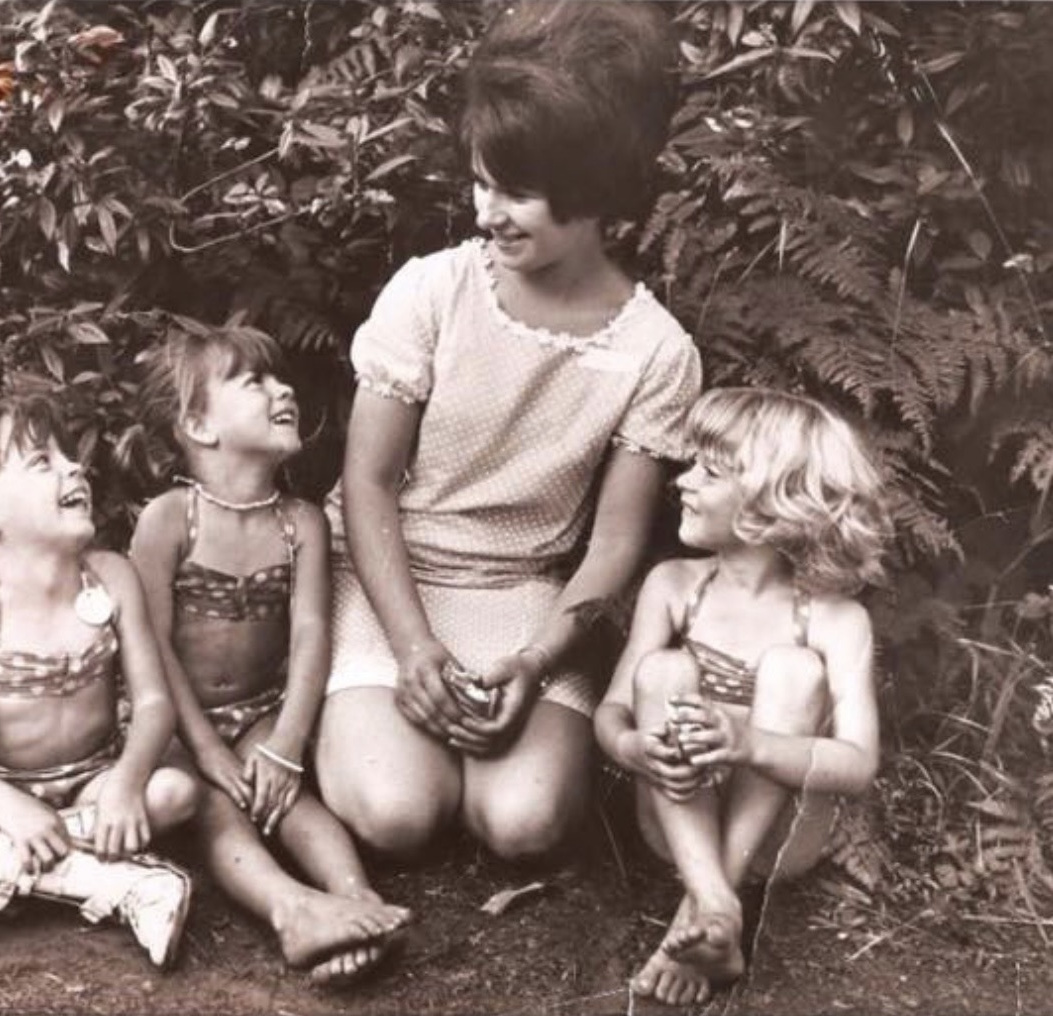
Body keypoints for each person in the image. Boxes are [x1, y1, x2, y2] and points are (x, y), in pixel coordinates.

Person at [315, 0, 701, 862]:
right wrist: (412, 648)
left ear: (598, 197)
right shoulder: (432, 293)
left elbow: (611, 550)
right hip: (391, 577)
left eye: (517, 193)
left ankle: (496, 715)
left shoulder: (656, 352)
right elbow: (369, 484)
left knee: (522, 823)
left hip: (527, 596)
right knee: (397, 812)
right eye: (482, 182)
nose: (488, 210)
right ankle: (374, 713)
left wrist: (535, 660)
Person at [0, 394, 200, 968]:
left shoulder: (112, 576)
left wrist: (125, 781)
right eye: (42, 461)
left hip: (90, 785)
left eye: (68, 456)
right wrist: (10, 808)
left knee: (175, 793)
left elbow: (151, 703)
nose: (75, 467)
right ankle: (109, 883)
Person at [127, 324, 412, 986]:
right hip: (176, 720)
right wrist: (203, 747)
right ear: (198, 424)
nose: (282, 388)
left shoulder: (301, 522)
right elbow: (151, 646)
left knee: (292, 801)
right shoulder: (171, 520)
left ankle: (357, 897)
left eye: (279, 378)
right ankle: (290, 911)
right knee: (218, 807)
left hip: (261, 713)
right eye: (253, 381)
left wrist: (286, 743)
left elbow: (313, 633)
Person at [595, 387, 891, 1005]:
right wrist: (632, 746)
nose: (682, 481)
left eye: (710, 470)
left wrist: (750, 744)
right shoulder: (674, 585)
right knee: (663, 673)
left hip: (781, 837)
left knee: (792, 670)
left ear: (770, 499)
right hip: (675, 818)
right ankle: (720, 909)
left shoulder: (835, 620)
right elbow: (613, 711)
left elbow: (859, 764)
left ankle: (708, 904)